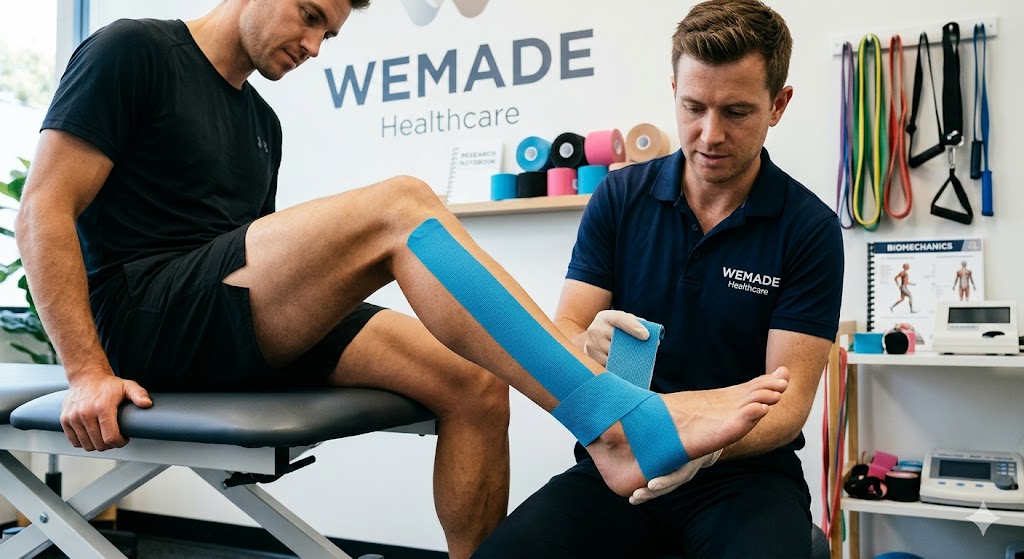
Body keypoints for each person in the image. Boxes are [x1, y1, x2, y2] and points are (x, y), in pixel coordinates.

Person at [15, 1, 790, 557]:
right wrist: (86, 370)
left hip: (222, 319)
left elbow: (251, 270)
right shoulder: (131, 50)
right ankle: (614, 424)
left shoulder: (261, 122)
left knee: (474, 380)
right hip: (143, 319)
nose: (317, 45)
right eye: (312, 17)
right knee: (401, 207)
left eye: (330, 31)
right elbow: (43, 207)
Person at [473, 1, 843, 557]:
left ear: (778, 104)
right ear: (673, 88)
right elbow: (567, 330)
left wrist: (705, 447)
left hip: (743, 476)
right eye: (693, 106)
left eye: (737, 112)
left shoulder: (809, 229)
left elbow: (788, 404)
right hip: (620, 462)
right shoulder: (620, 198)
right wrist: (583, 341)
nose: (709, 134)